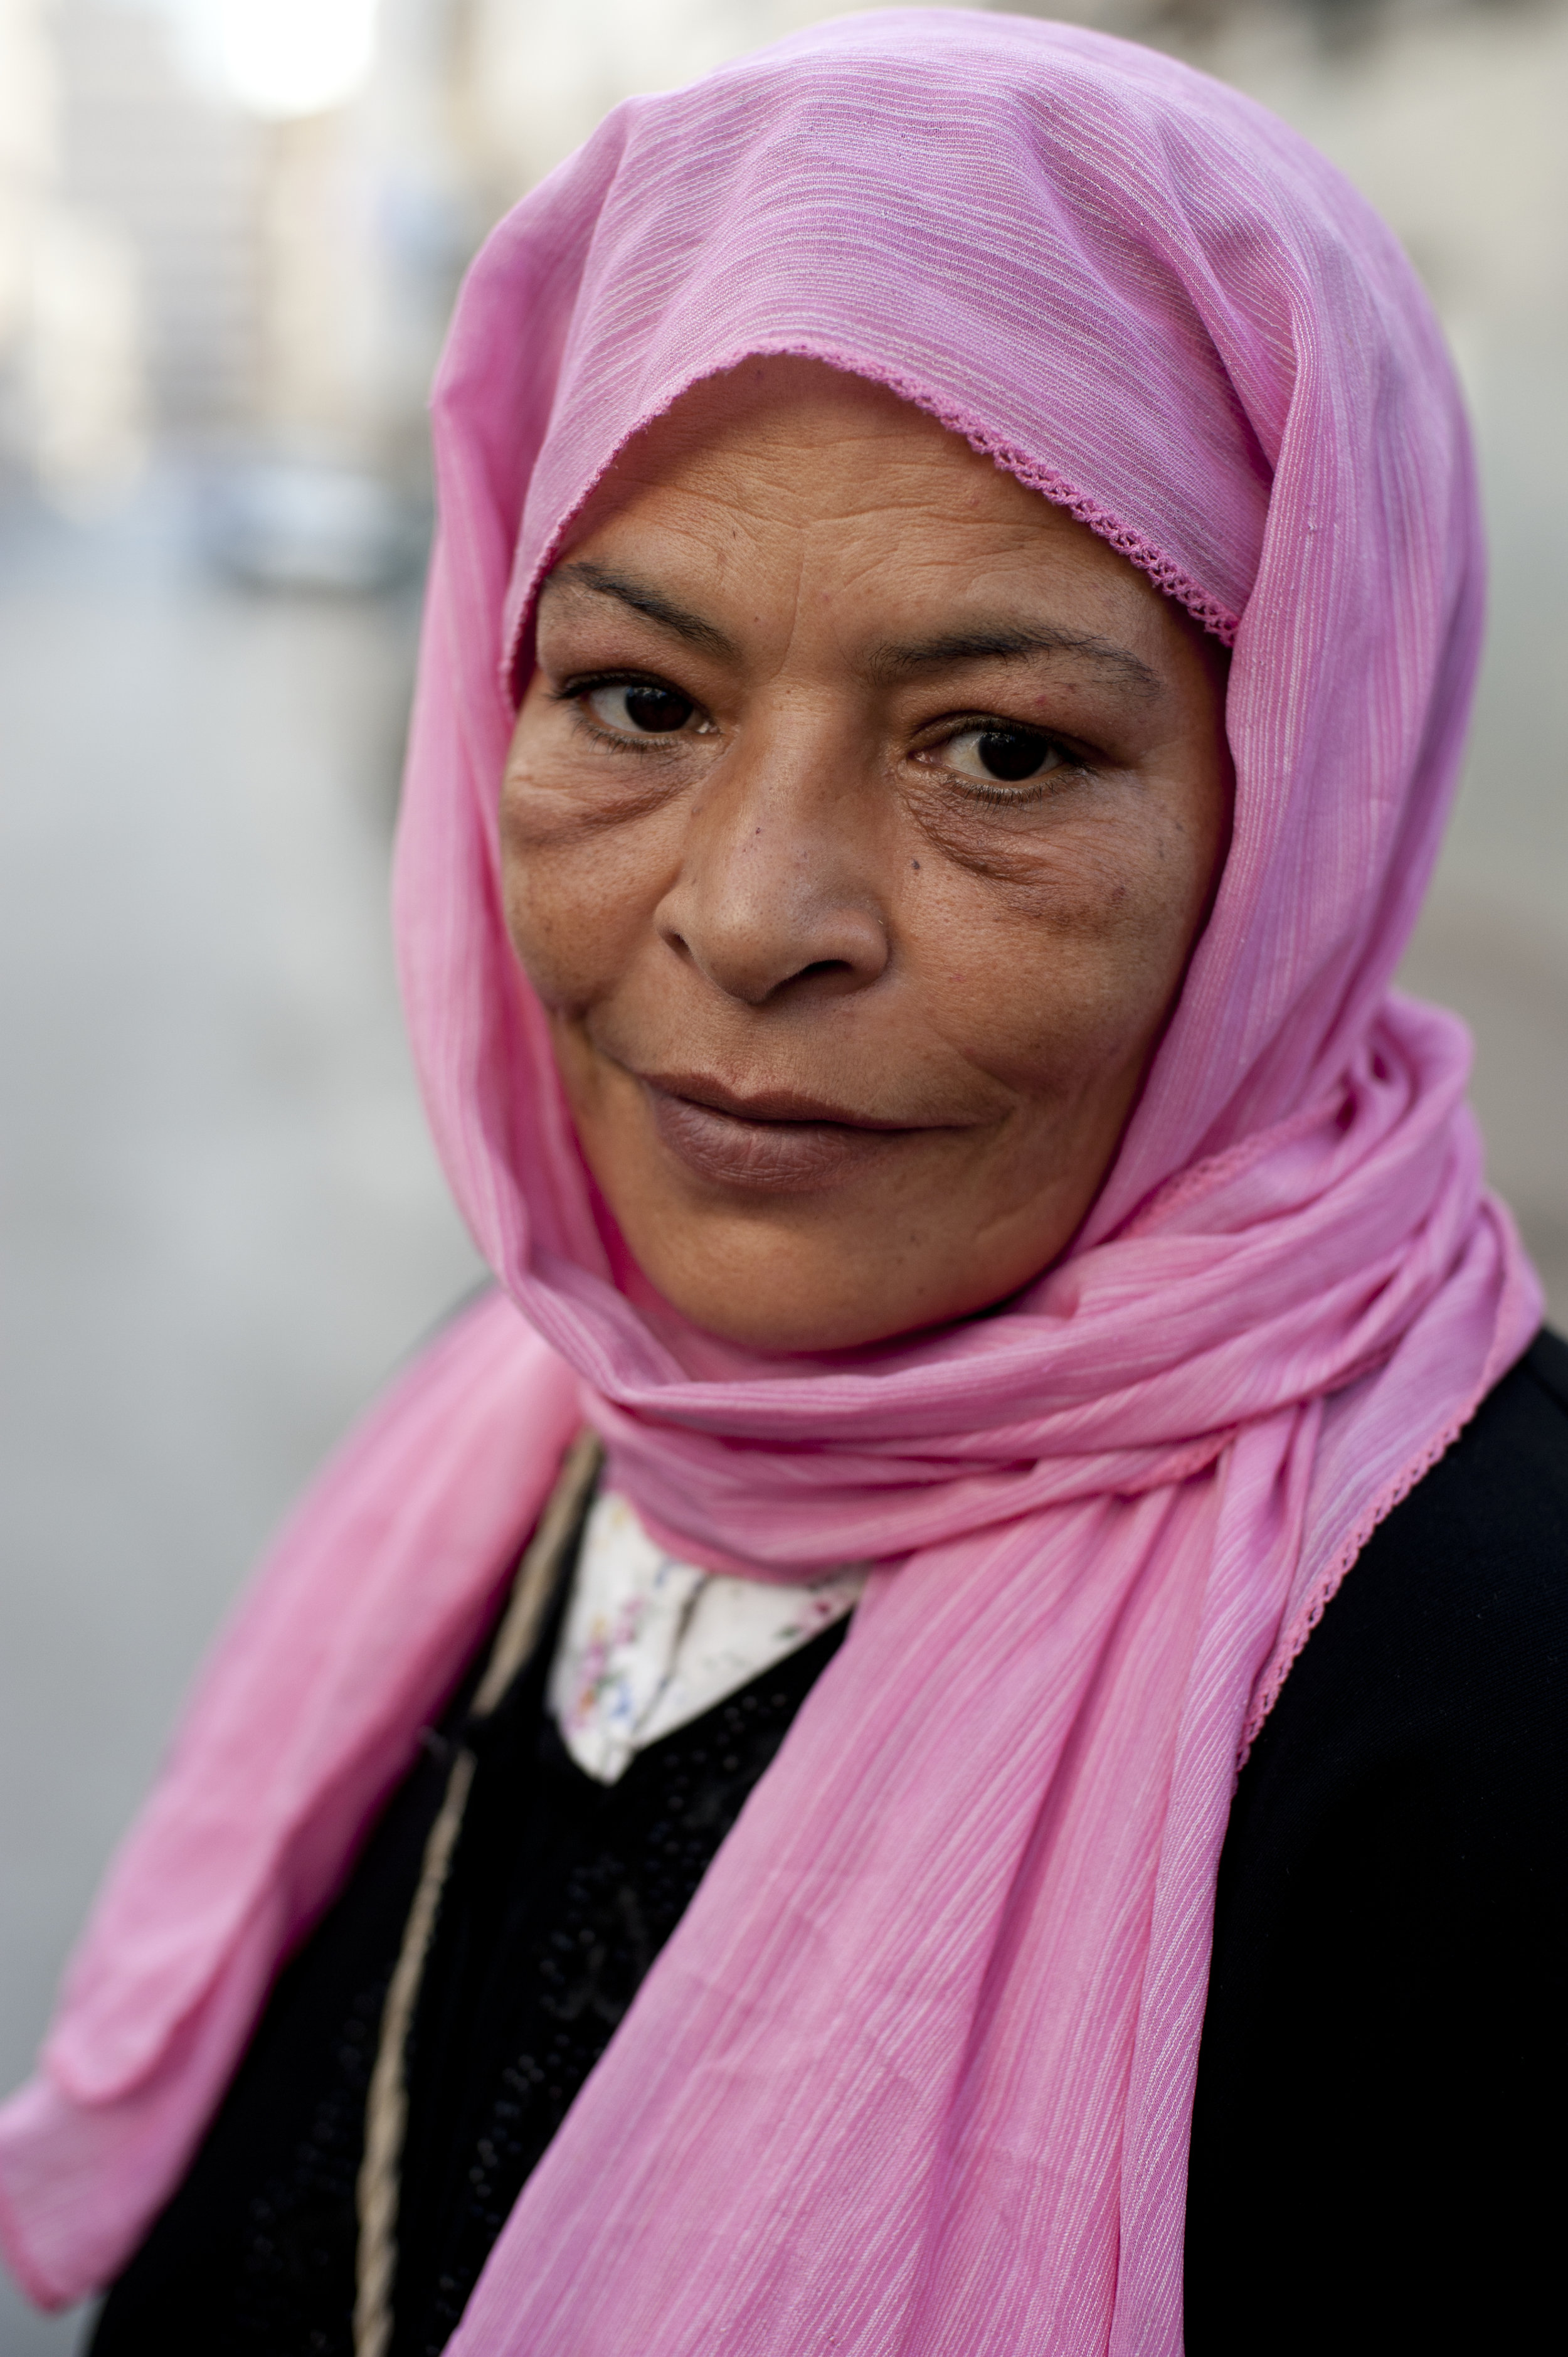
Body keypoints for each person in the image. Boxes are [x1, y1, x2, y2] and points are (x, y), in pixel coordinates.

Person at [1, 12, 1560, 2355]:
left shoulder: (1486, 1701)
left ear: (1296, 816)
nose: (750, 913)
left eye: (1000, 751)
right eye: (637, 698)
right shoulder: (539, 1406)